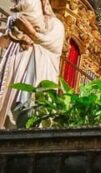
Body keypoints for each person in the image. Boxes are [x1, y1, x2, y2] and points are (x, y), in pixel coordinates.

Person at [0, 0, 64, 129]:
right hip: (16, 61)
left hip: (38, 66)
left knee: (28, 102)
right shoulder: (19, 18)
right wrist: (15, 34)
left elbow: (50, 43)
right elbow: (5, 41)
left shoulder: (56, 24)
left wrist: (31, 32)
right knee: (9, 94)